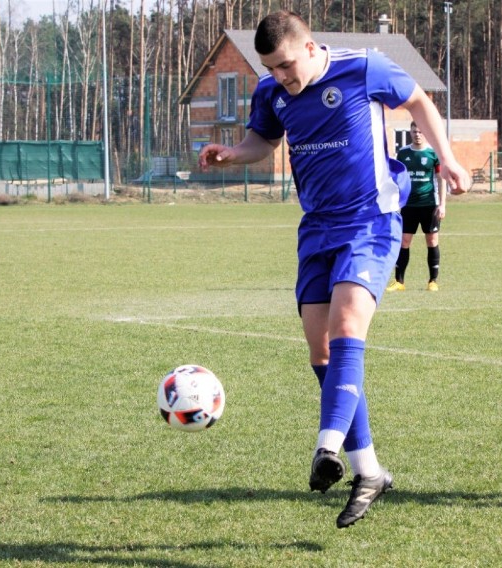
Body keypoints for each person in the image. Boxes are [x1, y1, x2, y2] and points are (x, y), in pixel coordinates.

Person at [199, 11, 470, 528]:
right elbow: (264, 141)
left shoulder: (364, 68)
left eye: (284, 65)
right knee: (320, 349)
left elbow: (419, 101)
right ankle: (370, 470)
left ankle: (327, 447)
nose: (280, 76)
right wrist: (233, 155)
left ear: (310, 47)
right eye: (270, 68)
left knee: (348, 328)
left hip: (371, 220)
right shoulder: (271, 93)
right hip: (317, 227)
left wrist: (449, 158)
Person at [386, 121, 451, 292]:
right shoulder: (403, 153)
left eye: (420, 131)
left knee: (432, 241)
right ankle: (399, 282)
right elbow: (397, 179)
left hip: (429, 205)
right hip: (409, 205)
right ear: (410, 132)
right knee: (404, 241)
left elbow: (441, 179)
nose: (417, 134)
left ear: (425, 133)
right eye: (414, 131)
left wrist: (442, 204)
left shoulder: (432, 154)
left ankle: (433, 281)